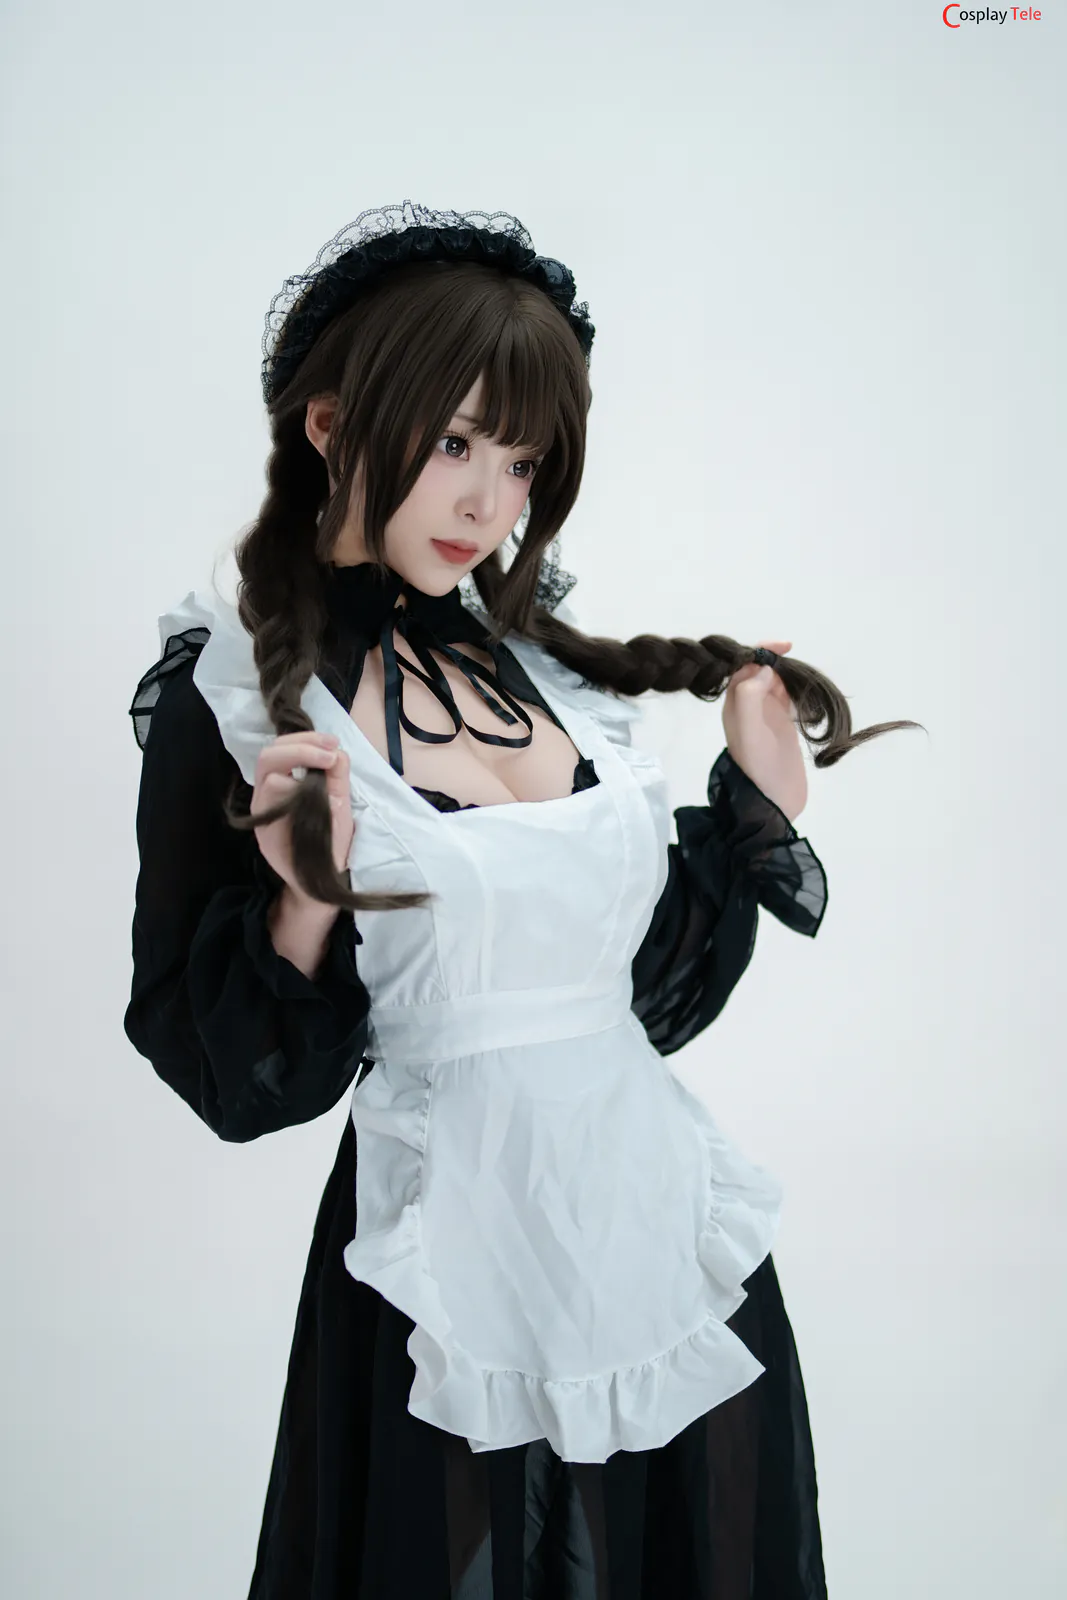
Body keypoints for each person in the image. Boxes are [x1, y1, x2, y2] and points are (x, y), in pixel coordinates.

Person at [124, 202, 919, 1599]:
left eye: (522, 460)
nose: (489, 503)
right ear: (329, 425)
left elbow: (636, 999)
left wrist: (754, 809)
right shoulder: (245, 697)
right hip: (444, 1280)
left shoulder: (538, 670)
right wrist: (303, 902)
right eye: (453, 444)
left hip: (658, 1243)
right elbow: (237, 1082)